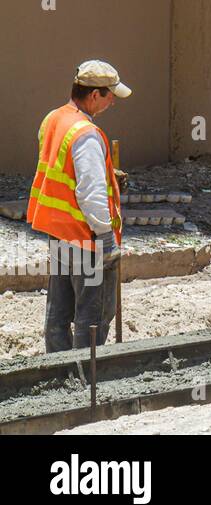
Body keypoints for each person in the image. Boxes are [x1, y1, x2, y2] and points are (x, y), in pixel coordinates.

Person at [28, 61, 131, 352]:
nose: (113, 101)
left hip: (59, 232)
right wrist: (107, 239)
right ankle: (87, 377)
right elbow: (90, 192)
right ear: (94, 94)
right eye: (110, 95)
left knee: (59, 311)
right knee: (93, 314)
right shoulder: (86, 134)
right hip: (87, 240)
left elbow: (64, 170)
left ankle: (57, 374)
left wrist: (110, 177)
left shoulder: (54, 119)